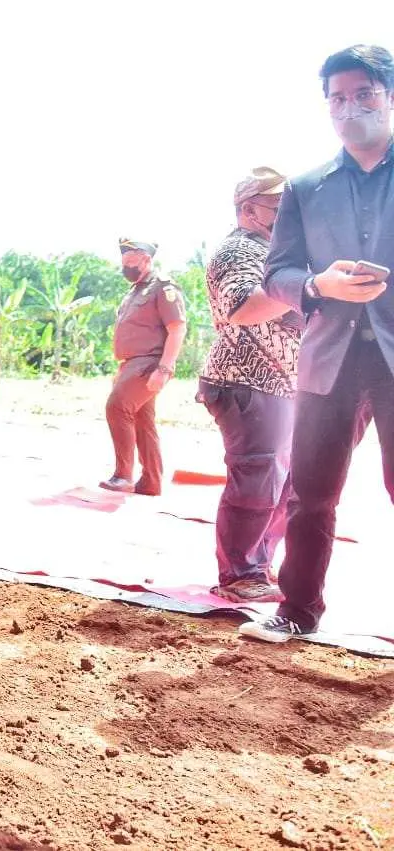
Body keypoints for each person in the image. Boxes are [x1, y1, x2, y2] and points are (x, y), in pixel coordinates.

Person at [240, 45, 394, 643]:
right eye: (337, 97)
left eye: (364, 94)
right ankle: (297, 610)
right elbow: (276, 273)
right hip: (327, 359)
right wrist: (316, 285)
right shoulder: (306, 187)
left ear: (388, 96)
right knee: (310, 492)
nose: (349, 107)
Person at [197, 167, 301, 603]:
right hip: (247, 381)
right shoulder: (240, 250)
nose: (287, 214)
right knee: (258, 479)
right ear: (248, 210)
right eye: (278, 207)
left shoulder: (269, 249)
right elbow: (242, 307)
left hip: (278, 384)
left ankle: (256, 565)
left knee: (280, 482)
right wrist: (313, 289)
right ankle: (240, 574)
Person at [100, 239, 187, 496]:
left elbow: (177, 328)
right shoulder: (134, 292)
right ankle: (151, 482)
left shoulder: (162, 287)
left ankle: (123, 476)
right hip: (131, 364)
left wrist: (165, 369)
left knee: (117, 407)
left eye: (131, 263)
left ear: (147, 260)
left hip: (149, 363)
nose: (126, 268)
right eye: (124, 263)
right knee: (141, 420)